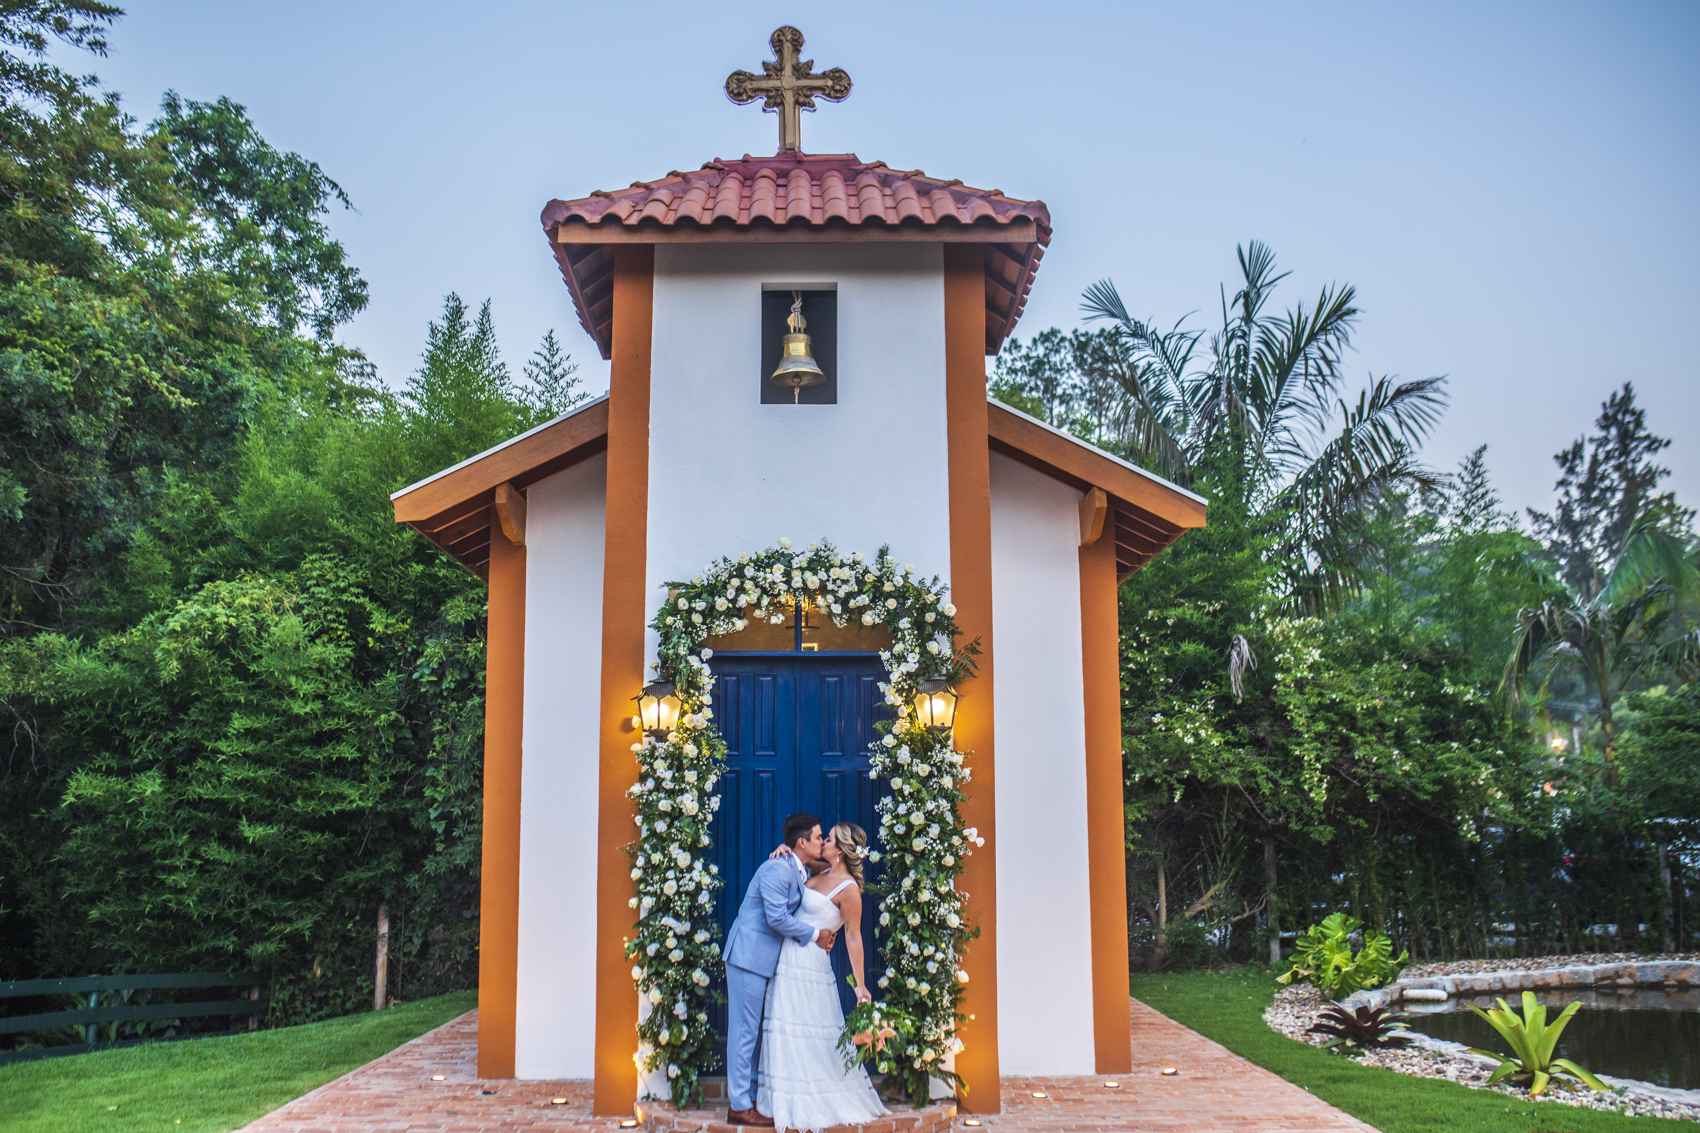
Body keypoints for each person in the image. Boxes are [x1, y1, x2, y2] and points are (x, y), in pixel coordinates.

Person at [757, 822, 889, 1133]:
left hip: (811, 966)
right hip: (787, 959)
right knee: (785, 1027)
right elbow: (804, 858)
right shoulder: (822, 871)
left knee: (810, 1030)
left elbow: (853, 938)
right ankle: (784, 1099)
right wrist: (788, 850)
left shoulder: (849, 890)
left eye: (827, 839)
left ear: (840, 851)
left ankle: (812, 1099)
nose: (822, 842)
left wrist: (861, 987)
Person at [723, 813, 837, 1128]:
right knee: (744, 1032)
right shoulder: (777, 869)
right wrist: (817, 935)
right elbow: (775, 918)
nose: (822, 841)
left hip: (760, 960)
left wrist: (791, 850)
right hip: (748, 957)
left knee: (751, 1032)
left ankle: (747, 1099)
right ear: (801, 842)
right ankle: (739, 1106)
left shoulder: (794, 866)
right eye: (817, 837)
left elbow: (829, 870)